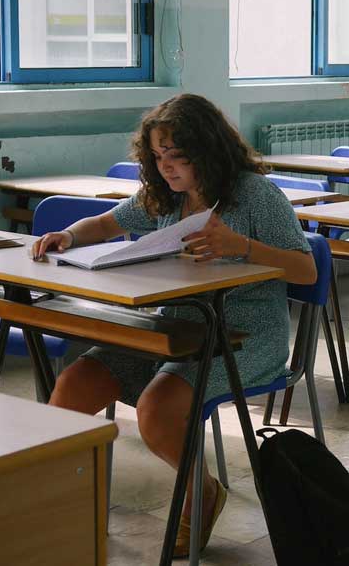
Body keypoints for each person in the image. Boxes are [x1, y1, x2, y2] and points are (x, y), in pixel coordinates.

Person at [32, 93, 316, 557]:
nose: (166, 166)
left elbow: (306, 271)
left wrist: (241, 246)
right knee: (74, 384)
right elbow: (105, 224)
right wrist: (70, 235)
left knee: (157, 409)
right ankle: (67, 498)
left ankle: (200, 494)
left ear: (207, 150)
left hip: (244, 337)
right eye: (158, 156)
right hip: (176, 327)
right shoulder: (163, 197)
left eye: (177, 155)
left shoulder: (254, 194)